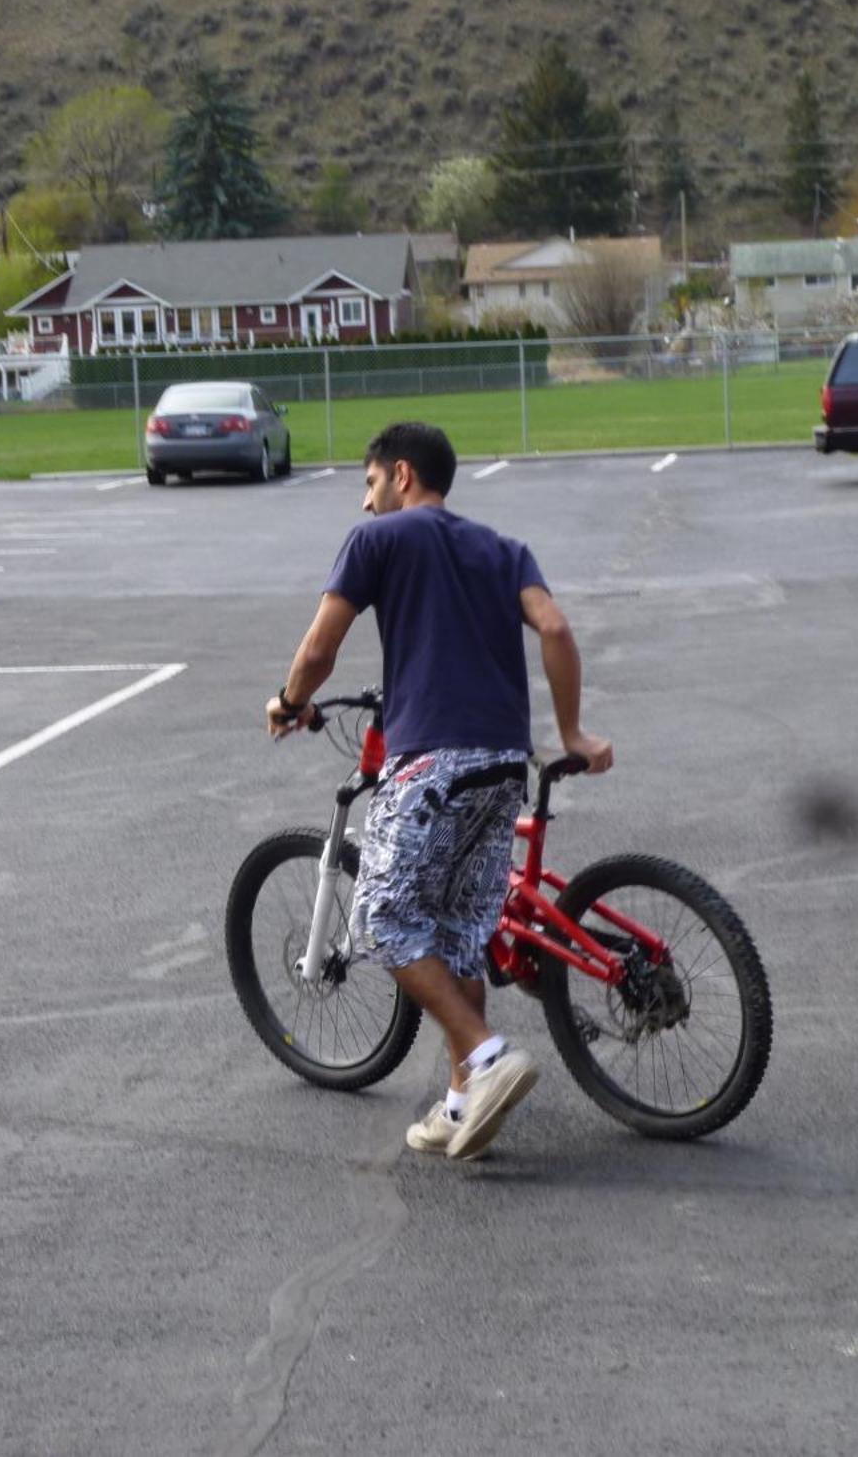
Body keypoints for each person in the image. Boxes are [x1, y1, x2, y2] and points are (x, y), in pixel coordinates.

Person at [266, 422, 612, 1161]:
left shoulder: (378, 543)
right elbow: (552, 624)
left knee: (384, 919)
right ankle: (461, 1105)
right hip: (501, 768)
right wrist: (573, 731)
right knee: (458, 934)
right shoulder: (501, 547)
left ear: (400, 474)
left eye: (368, 485)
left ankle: (487, 1055)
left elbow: (321, 647)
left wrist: (290, 699)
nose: (364, 505)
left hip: (433, 762)